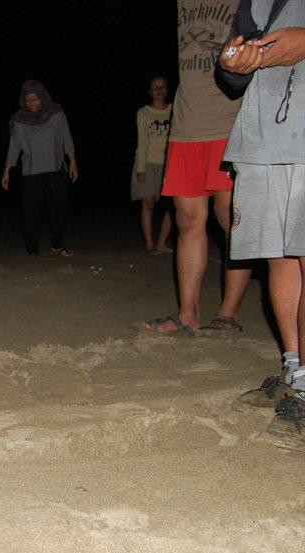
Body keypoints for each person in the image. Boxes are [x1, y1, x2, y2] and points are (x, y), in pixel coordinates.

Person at [219, 0, 305, 446]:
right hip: (266, 133)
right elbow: (234, 77)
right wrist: (232, 61)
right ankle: (297, 369)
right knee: (282, 255)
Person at [141, 0, 250, 336]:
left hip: (229, 120)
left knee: (230, 217)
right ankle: (187, 315)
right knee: (188, 219)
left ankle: (227, 315)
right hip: (186, 123)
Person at [0, 80, 79, 257]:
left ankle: (57, 246)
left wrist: (73, 162)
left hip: (55, 167)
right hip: (31, 171)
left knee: (59, 209)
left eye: (35, 99)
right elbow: (14, 146)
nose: (32, 103)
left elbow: (66, 137)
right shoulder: (19, 120)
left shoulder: (56, 112)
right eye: (28, 100)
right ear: (23, 100)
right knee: (30, 212)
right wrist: (7, 171)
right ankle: (32, 249)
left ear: (42, 97)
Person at [131, 75, 174, 254]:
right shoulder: (143, 112)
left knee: (173, 205)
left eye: (162, 87)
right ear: (149, 91)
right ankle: (149, 244)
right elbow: (143, 141)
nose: (159, 90)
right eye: (155, 87)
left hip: (170, 163)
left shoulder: (175, 109)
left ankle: (162, 243)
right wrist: (140, 169)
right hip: (148, 162)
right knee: (147, 203)